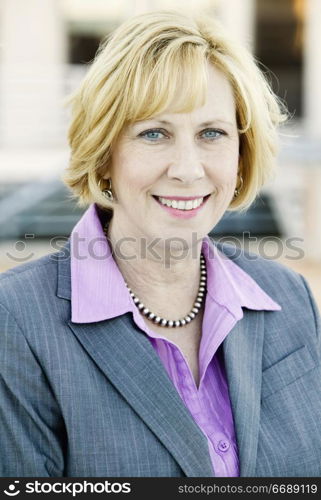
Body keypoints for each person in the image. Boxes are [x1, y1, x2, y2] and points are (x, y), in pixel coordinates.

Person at [0, 10, 320, 478]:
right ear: (104, 154)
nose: (188, 169)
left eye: (212, 133)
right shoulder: (16, 322)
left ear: (241, 153)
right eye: (154, 133)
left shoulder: (290, 297)